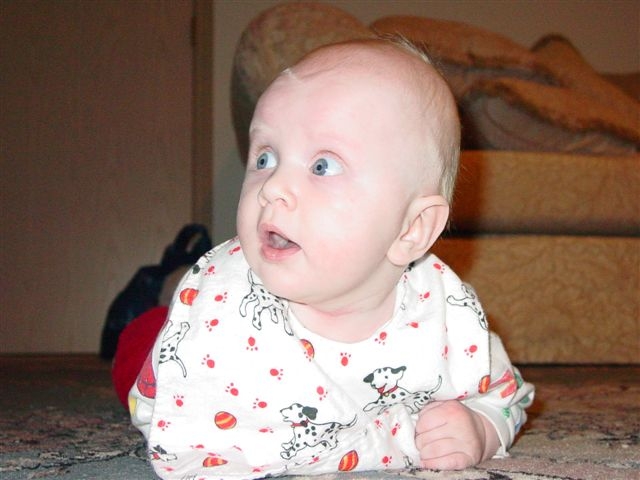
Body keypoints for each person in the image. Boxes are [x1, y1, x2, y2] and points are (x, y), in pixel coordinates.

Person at [126, 37, 534, 479]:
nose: (272, 187)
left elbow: (507, 398)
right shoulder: (216, 312)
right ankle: (155, 307)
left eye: (322, 166)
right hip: (164, 346)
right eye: (265, 158)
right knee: (138, 349)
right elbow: (157, 409)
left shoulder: (444, 315)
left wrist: (481, 427)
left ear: (412, 228)